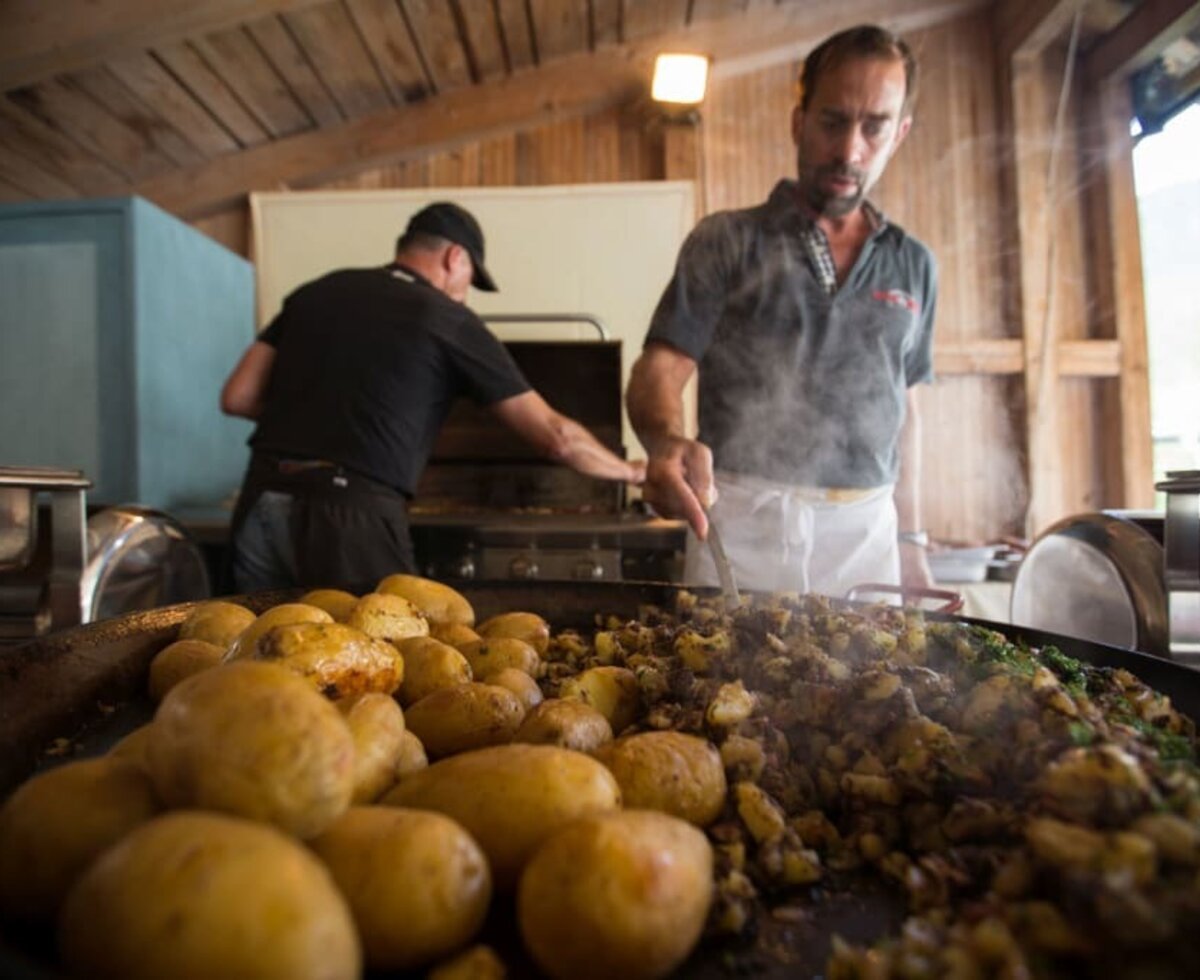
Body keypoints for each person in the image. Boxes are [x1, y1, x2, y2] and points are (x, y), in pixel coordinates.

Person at [626, 24, 936, 599]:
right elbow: (659, 370)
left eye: (874, 127)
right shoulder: (726, 239)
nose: (849, 150)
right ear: (799, 121)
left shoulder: (914, 264)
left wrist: (912, 543)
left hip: (865, 533)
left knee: (875, 685)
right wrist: (666, 441)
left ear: (900, 134)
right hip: (742, 521)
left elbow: (907, 413)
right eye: (832, 121)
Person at [221, 201, 643, 592]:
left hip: (259, 499)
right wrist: (630, 472)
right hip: (349, 517)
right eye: (471, 281)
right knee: (382, 662)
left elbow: (237, 396)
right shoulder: (448, 319)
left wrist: (316, 416)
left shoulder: (316, 292)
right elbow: (557, 437)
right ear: (455, 257)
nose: (466, 293)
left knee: (262, 658)